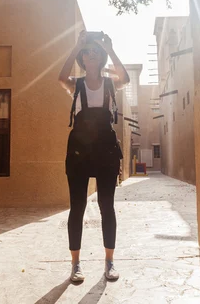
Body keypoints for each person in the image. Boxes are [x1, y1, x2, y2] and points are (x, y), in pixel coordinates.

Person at [58, 30, 130, 283]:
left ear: (100, 58)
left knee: (106, 206)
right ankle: (75, 264)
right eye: (86, 51)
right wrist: (76, 45)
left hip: (106, 151)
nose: (91, 54)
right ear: (82, 57)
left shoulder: (110, 84)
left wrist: (110, 48)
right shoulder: (76, 85)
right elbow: (60, 77)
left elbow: (126, 77)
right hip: (79, 150)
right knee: (77, 207)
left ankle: (109, 262)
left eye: (95, 51)